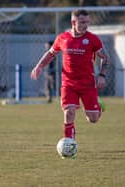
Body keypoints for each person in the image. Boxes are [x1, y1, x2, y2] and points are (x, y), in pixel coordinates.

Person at [30, 9, 109, 140]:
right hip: (68, 83)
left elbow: (105, 57)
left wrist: (102, 75)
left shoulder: (93, 39)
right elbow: (50, 54)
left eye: (87, 22)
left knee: (93, 119)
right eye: (82, 22)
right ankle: (69, 144)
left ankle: (97, 105)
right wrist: (39, 66)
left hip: (87, 83)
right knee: (69, 112)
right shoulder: (62, 38)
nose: (86, 25)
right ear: (73, 22)